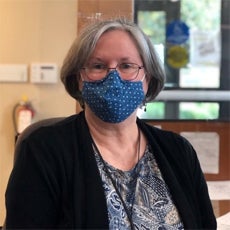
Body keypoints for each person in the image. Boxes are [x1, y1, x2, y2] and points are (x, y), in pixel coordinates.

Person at [5, 18, 216, 229]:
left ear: (147, 79)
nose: (113, 78)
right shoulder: (43, 150)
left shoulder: (178, 151)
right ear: (79, 78)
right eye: (98, 66)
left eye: (126, 66)